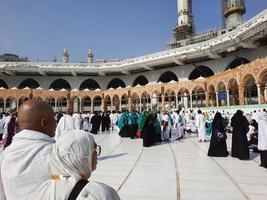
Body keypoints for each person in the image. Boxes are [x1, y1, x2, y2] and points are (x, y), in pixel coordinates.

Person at [34, 130, 120, 200]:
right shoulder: (100, 194)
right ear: (81, 158)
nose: (96, 153)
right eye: (93, 149)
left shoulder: (43, 190)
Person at [0, 100, 56, 200]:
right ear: (44, 122)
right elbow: (62, 181)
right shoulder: (54, 152)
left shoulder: (7, 153)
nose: (56, 122)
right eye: (53, 118)